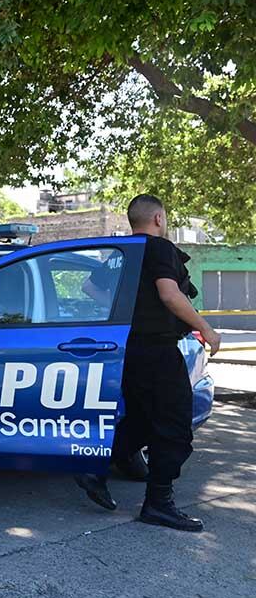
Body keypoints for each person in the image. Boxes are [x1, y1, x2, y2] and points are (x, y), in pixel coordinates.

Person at [75, 194, 221, 532]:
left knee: (141, 420)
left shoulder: (123, 254)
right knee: (174, 424)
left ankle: (94, 467)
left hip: (130, 349)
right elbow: (170, 294)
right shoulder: (159, 248)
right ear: (158, 218)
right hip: (157, 350)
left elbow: (88, 286)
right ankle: (159, 504)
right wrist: (206, 329)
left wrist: (129, 310)